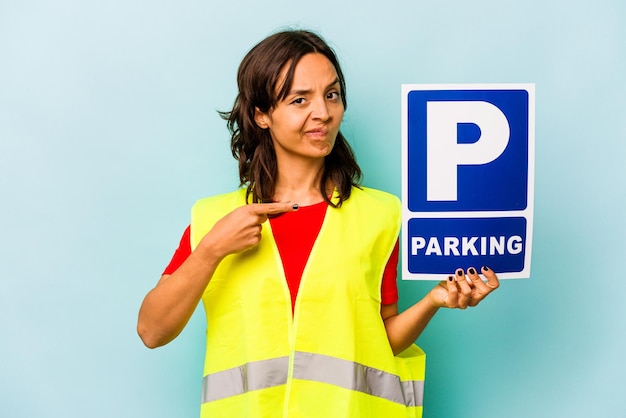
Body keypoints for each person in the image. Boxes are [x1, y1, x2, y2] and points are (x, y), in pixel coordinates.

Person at [137, 29, 499, 418]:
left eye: (331, 94)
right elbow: (152, 331)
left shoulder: (379, 216)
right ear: (261, 114)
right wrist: (211, 250)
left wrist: (433, 301)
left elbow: (379, 342)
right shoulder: (214, 219)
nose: (323, 113)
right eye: (299, 100)